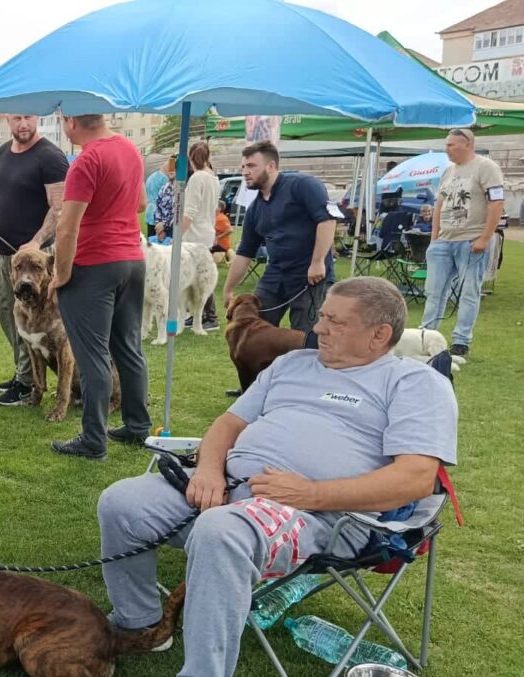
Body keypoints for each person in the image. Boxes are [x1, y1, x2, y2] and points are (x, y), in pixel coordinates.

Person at [96, 277, 457, 677]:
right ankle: (141, 624)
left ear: (379, 335)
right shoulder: (291, 364)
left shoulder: (416, 383)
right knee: (121, 502)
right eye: (322, 316)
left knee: (220, 531)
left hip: (324, 517)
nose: (318, 328)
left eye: (335, 322)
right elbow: (227, 425)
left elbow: (415, 480)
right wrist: (211, 470)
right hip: (228, 489)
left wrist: (310, 493)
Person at [46, 114, 148, 460]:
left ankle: (93, 439)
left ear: (71, 120)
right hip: (132, 260)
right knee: (129, 347)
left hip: (94, 265)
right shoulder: (130, 150)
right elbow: (141, 204)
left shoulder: (86, 160)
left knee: (92, 357)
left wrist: (60, 275)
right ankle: (137, 425)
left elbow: (66, 228)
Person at [0, 114, 69, 407]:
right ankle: (23, 371)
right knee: (10, 314)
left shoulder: (50, 156)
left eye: (28, 118)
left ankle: (28, 381)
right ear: (8, 119)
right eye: (17, 118)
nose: (23, 124)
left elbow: (59, 207)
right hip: (5, 254)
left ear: (37, 118)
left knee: (39, 319)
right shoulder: (0, 154)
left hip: (39, 259)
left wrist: (37, 241)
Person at [222, 141, 335, 338]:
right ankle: (267, 370)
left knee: (305, 338)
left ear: (271, 166)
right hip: (275, 275)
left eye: (251, 166)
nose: (245, 172)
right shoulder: (255, 209)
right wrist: (228, 289)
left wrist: (317, 263)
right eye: (243, 167)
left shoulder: (302, 185)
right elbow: (244, 252)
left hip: (310, 276)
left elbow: (327, 220)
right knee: (253, 333)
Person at [422, 128, 504, 358]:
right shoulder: (448, 171)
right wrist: (434, 239)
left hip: (471, 240)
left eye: (451, 145)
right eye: (446, 145)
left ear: (468, 144)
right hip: (443, 242)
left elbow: (496, 203)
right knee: (434, 292)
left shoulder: (486, 167)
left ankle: (461, 341)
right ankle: (428, 335)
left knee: (469, 291)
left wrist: (485, 238)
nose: (447, 149)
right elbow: (439, 205)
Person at [181, 141, 222, 330]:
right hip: (206, 230)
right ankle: (198, 314)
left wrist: (178, 234)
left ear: (191, 159)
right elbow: (214, 209)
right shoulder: (213, 178)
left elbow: (190, 210)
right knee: (198, 276)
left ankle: (210, 316)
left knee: (199, 277)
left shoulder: (198, 178)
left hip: (195, 233)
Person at [144, 155, 173, 238]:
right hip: (159, 214)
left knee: (151, 238)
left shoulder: (151, 177)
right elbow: (166, 200)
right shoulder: (165, 180)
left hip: (149, 211)